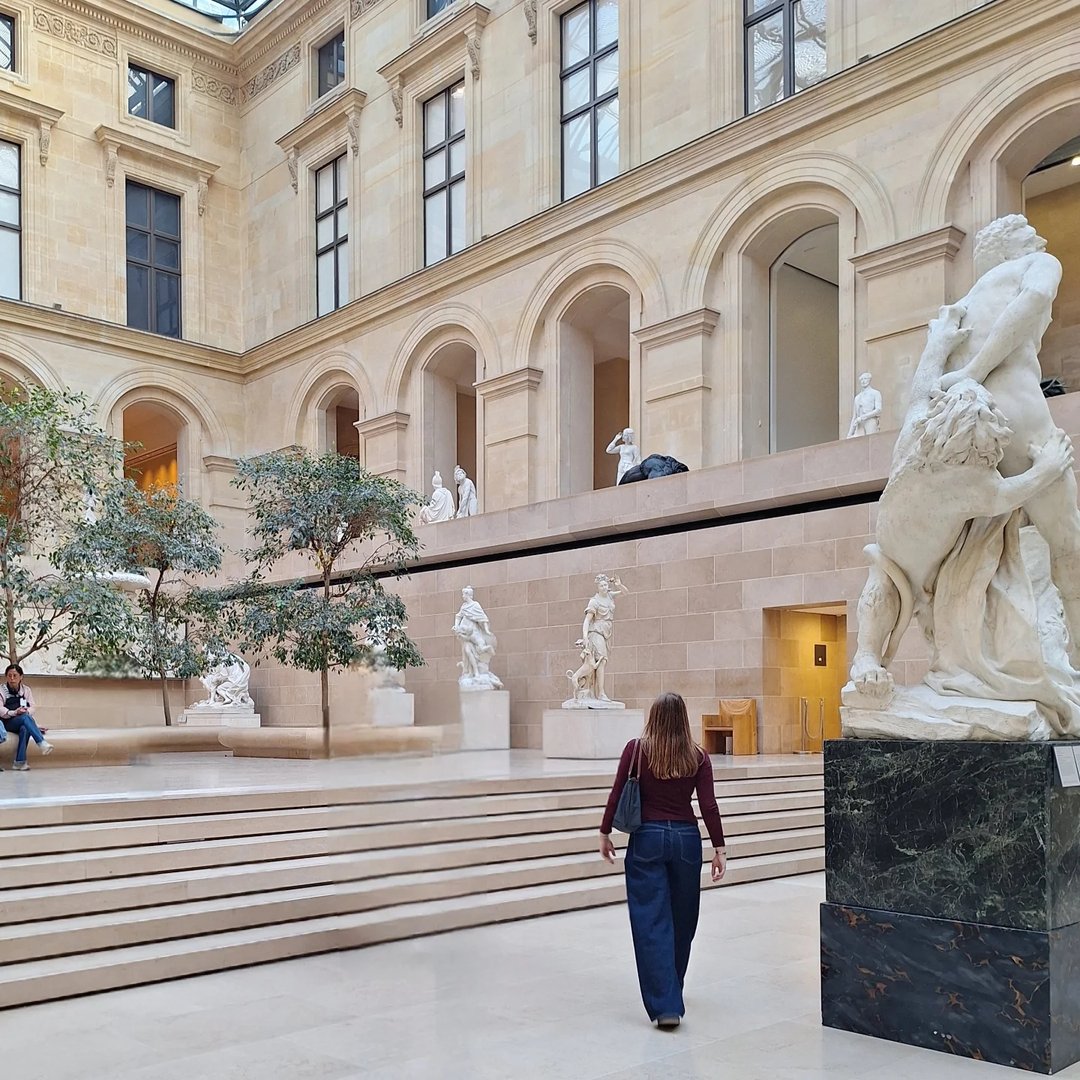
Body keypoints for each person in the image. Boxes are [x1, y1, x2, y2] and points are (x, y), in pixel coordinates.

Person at [599, 693, 726, 1029]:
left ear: (653, 717)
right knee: (683, 920)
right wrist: (720, 848)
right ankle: (672, 987)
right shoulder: (697, 756)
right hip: (686, 840)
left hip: (647, 840)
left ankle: (666, 1002)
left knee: (651, 921)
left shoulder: (636, 750)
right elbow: (709, 805)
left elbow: (617, 792)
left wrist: (605, 831)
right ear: (684, 718)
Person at [0, 663, 53, 771]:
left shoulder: (26, 690)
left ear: (21, 677)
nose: (12, 678)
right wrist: (14, 712)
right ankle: (41, 742)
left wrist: (25, 711)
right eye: (9, 675)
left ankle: (20, 762)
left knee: (25, 728)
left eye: (15, 675)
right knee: (25, 718)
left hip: (21, 719)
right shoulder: (1, 690)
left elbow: (33, 706)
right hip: (6, 721)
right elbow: (0, 709)